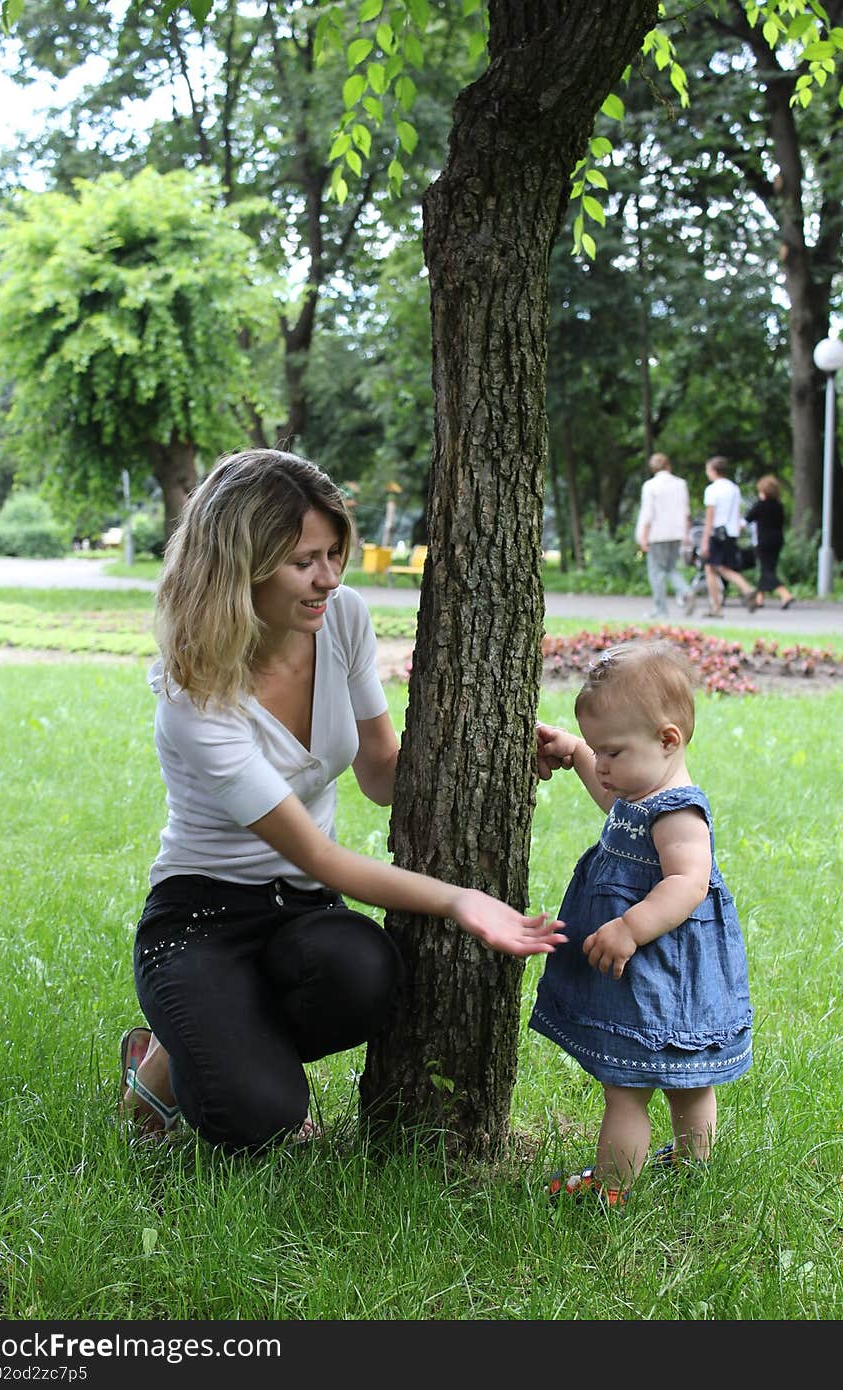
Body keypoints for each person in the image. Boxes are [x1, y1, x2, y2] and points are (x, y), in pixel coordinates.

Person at [120, 448, 566, 1150]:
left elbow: (382, 772)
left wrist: (502, 753)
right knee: (257, 1122)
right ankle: (164, 1065)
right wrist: (459, 900)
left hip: (300, 915)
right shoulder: (193, 697)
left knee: (366, 974)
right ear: (243, 565)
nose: (328, 578)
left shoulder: (342, 620)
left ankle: (200, 1042)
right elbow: (322, 856)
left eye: (335, 554)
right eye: (305, 561)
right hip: (201, 916)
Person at [530, 640, 752, 1206]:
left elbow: (687, 883)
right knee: (679, 1078)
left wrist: (630, 927)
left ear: (667, 740)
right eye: (598, 752)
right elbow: (612, 802)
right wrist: (577, 749)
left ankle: (612, 1189)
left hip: (663, 966)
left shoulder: (677, 808)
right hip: (644, 968)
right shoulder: (638, 785)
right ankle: (689, 1169)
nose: (601, 767)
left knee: (629, 1088)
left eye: (612, 753)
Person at [699, 455, 760, 618]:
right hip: (731, 533)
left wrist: (705, 540)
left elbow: (710, 516)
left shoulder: (712, 490)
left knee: (712, 568)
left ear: (713, 471)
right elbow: (737, 512)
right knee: (719, 567)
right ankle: (725, 600)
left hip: (717, 534)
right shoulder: (734, 488)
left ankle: (719, 605)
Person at [635, 452, 693, 619]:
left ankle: (660, 609)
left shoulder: (650, 486)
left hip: (657, 534)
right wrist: (686, 534)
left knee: (657, 572)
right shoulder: (680, 484)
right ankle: (686, 591)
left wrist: (643, 537)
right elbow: (686, 511)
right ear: (668, 465)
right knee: (671, 568)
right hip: (676, 533)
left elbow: (648, 514)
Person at [744, 475, 794, 610]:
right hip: (777, 540)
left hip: (763, 541)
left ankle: (785, 593)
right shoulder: (779, 506)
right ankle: (760, 599)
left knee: (766, 570)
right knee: (769, 568)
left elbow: (747, 519)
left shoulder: (760, 505)